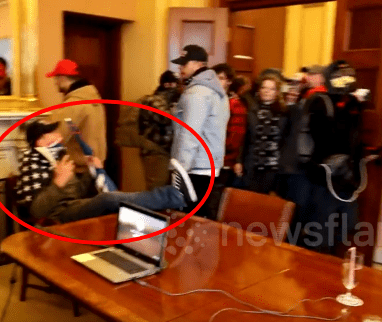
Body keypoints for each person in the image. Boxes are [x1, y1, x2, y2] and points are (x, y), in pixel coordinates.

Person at [16, 120, 196, 223]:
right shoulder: (32, 162)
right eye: (53, 133)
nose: (60, 137)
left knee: (113, 198)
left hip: (72, 206)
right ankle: (175, 196)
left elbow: (75, 192)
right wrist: (57, 184)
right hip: (55, 217)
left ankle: (171, 202)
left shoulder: (57, 158)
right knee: (108, 199)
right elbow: (36, 211)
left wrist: (92, 171)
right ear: (39, 140)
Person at [170, 44, 229, 218]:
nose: (180, 68)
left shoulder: (197, 92)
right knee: (201, 216)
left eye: (183, 63)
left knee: (187, 219)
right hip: (209, 163)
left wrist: (180, 171)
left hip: (195, 165)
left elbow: (190, 134)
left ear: (197, 63)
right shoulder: (216, 89)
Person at [46, 59, 107, 171]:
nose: (55, 83)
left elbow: (55, 137)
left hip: (79, 169)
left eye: (56, 78)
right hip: (95, 165)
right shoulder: (95, 100)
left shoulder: (73, 105)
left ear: (62, 78)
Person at [235, 72, 288, 194]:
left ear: (277, 92)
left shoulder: (284, 113)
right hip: (251, 162)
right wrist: (239, 161)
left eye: (271, 89)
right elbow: (245, 138)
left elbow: (285, 141)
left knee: (264, 201)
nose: (267, 91)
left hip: (272, 166)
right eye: (264, 87)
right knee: (248, 197)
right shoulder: (252, 109)